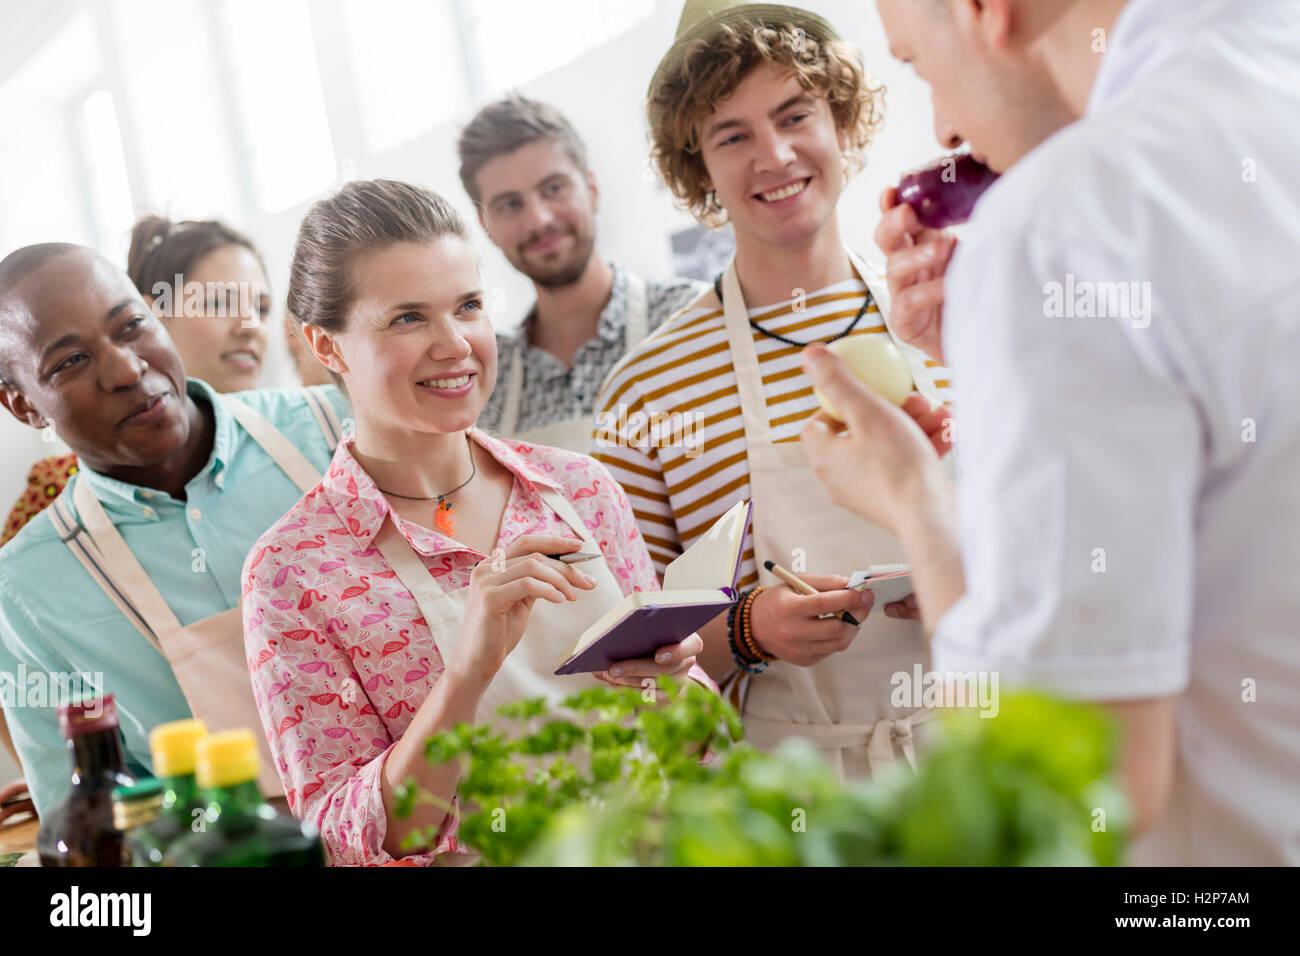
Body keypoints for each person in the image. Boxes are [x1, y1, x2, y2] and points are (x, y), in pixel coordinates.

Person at [802, 0, 1300, 865]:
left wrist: (916, 502)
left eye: (919, 62)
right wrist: (998, 361)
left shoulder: (1058, 226)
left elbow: (1071, 787)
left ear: (984, 10)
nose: (947, 127)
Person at [243, 179, 714, 866]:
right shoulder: (292, 571)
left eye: (467, 307)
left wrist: (679, 686)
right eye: (408, 318)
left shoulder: (580, 487)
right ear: (327, 346)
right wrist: (467, 673)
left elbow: (698, 743)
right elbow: (348, 843)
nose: (455, 344)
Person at [592, 0, 956, 779]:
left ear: (841, 121)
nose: (776, 154)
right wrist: (748, 631)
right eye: (733, 136)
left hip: (983, 763)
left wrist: (967, 571)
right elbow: (620, 664)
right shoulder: (645, 391)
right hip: (791, 808)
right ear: (698, 166)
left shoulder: (944, 317)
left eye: (795, 115)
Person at [0, 243, 350, 817]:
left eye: (132, 325)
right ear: (23, 406)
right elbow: (86, 818)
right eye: (70, 362)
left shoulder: (336, 429)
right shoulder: (27, 590)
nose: (125, 369)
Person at [1, 215, 274, 547]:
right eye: (218, 303)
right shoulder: (53, 508)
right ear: (157, 312)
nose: (251, 326)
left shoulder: (313, 430)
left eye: (261, 308)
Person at [458, 94, 707, 451]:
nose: (539, 220)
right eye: (510, 204)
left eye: (553, 189)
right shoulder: (487, 374)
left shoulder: (688, 316)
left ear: (591, 189)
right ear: (486, 226)